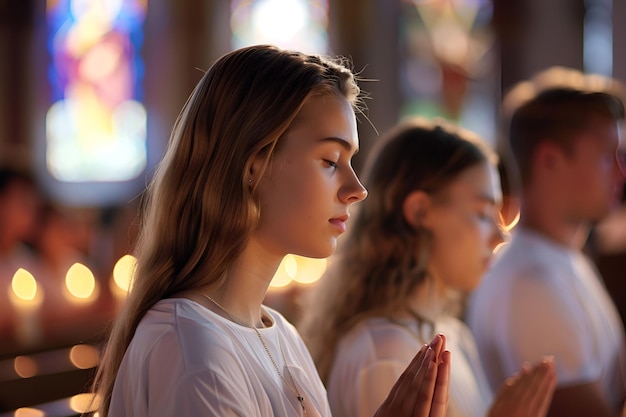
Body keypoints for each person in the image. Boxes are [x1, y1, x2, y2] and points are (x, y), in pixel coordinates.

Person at [92, 44, 451, 417]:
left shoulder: (280, 334)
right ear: (253, 165)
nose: (357, 189)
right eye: (330, 160)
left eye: (350, 161)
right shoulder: (192, 351)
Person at [299, 117, 557, 417]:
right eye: (483, 214)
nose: (500, 236)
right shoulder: (387, 354)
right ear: (421, 211)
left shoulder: (452, 334)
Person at [466, 72, 626, 417]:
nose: (620, 173)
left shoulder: (562, 258)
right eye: (606, 156)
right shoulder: (533, 284)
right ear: (550, 159)